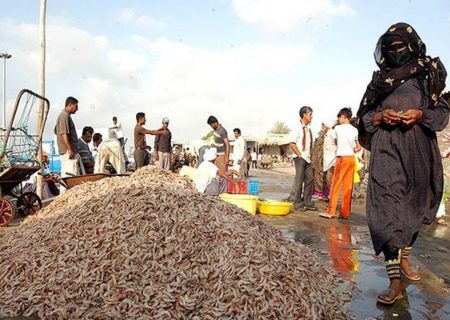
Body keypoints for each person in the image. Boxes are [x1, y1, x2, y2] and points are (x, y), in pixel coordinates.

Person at [357, 22, 449, 305]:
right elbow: (364, 116)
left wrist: (420, 114)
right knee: (386, 211)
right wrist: (379, 117)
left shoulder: (428, 75)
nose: (395, 53)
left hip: (419, 151)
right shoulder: (379, 82)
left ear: (412, 46)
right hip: (387, 150)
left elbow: (442, 110)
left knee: (416, 208)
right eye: (390, 49)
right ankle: (394, 280)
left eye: (400, 48)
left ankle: (404, 257)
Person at [320, 108, 360, 219]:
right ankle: (345, 213)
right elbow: (358, 147)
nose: (338, 119)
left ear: (343, 116)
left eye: (339, 117)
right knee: (348, 187)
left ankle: (331, 211)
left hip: (341, 158)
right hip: (351, 158)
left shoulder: (337, 128)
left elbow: (335, 142)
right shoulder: (354, 130)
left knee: (335, 185)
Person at [288, 106, 318, 211]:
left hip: (307, 158)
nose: (311, 116)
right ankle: (297, 203)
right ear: (304, 115)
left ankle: (307, 201)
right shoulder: (297, 127)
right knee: (299, 180)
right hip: (300, 157)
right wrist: (299, 154)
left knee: (310, 179)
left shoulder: (309, 129)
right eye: (310, 114)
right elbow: (292, 143)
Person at [54, 96, 83, 178]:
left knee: (72, 176)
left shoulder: (65, 116)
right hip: (68, 153)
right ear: (70, 105)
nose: (77, 109)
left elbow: (57, 131)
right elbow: (63, 133)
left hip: (69, 151)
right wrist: (70, 150)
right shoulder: (64, 116)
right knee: (70, 176)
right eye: (76, 106)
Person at [322, 121, 337, 200]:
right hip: (327, 161)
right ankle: (330, 196)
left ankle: (332, 197)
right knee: (328, 179)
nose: (322, 128)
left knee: (330, 179)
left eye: (324, 126)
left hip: (332, 160)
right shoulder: (326, 135)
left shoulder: (332, 133)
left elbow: (337, 143)